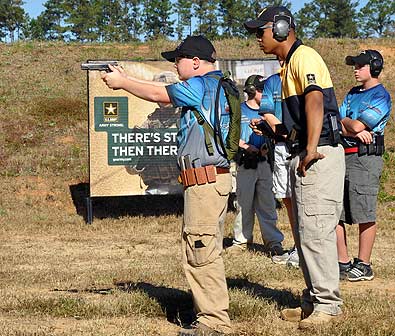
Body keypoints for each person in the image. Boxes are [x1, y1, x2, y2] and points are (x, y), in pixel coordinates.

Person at [101, 35, 233, 336]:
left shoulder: (200, 86)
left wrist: (123, 82)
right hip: (212, 180)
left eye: (179, 59)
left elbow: (161, 94)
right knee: (206, 247)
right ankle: (208, 310)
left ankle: (214, 322)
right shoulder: (219, 86)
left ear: (196, 62)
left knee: (200, 249)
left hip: (205, 180)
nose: (175, 64)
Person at [245, 6, 345, 329]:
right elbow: (300, 117)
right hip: (303, 151)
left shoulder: (304, 57)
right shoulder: (289, 66)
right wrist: (278, 132)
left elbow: (315, 101)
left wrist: (311, 148)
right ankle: (313, 300)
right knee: (305, 233)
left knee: (316, 231)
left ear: (280, 28)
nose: (257, 38)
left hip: (318, 154)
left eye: (260, 31)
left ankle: (328, 306)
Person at [336, 50, 392, 282]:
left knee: (364, 211)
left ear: (374, 67)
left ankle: (364, 264)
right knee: (337, 211)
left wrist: (349, 126)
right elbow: (338, 122)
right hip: (344, 155)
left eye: (360, 65)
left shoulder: (381, 96)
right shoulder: (351, 93)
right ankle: (342, 261)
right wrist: (350, 126)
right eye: (355, 65)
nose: (355, 69)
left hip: (366, 159)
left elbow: (358, 126)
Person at [226, 74, 287, 260]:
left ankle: (273, 242)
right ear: (252, 91)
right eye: (262, 90)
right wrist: (245, 146)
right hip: (245, 162)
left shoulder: (268, 113)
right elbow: (230, 134)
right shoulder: (239, 111)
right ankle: (241, 241)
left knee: (267, 204)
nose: (265, 93)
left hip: (265, 163)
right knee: (243, 204)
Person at [258, 72, 299, 268]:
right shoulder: (272, 81)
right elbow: (267, 112)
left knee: (303, 198)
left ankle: (307, 246)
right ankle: (299, 245)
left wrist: (297, 135)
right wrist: (287, 134)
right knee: (288, 198)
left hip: (303, 146)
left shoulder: (302, 72)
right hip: (282, 146)